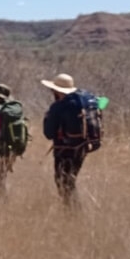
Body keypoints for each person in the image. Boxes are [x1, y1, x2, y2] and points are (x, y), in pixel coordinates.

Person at [41, 73, 91, 208]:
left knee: (63, 182)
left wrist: (47, 118)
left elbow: (49, 134)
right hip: (82, 148)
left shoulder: (58, 107)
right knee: (71, 179)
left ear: (57, 90)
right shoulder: (84, 100)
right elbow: (103, 102)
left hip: (63, 151)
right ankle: (72, 210)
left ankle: (72, 212)